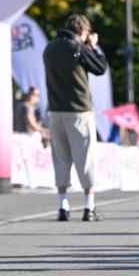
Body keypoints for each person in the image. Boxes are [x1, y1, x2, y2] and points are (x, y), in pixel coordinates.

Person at [43, 14, 108, 221]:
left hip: (55, 111)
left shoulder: (49, 49)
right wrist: (93, 46)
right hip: (79, 111)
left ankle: (63, 206)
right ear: (82, 31)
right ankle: (89, 208)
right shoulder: (78, 48)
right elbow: (100, 68)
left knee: (60, 158)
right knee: (85, 158)